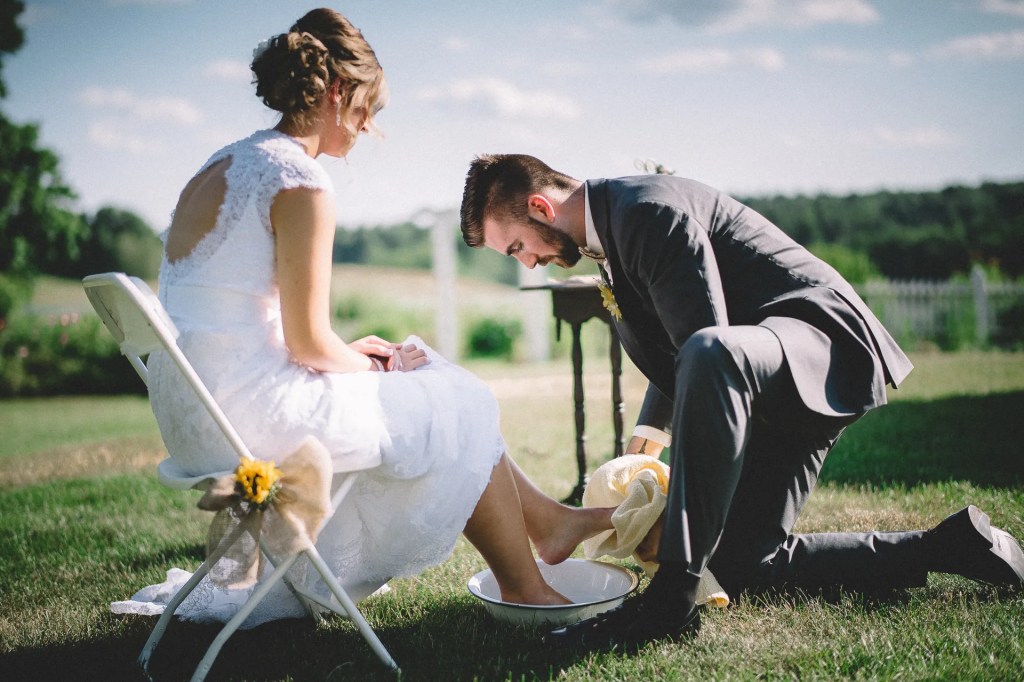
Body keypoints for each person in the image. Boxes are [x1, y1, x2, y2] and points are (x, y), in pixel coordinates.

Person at [111, 10, 615, 627]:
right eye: (367, 109)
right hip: (251, 416)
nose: (369, 128)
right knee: (457, 396)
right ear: (336, 92)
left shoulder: (222, 163)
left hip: (200, 414)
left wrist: (353, 358)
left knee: (432, 384)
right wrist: (360, 362)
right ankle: (529, 588)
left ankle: (549, 524)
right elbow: (308, 341)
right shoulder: (299, 179)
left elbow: (246, 322)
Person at [459, 153, 1024, 651]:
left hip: (816, 345)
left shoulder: (645, 210)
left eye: (516, 247)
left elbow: (709, 351)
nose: (526, 262)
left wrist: (678, 508)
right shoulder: (608, 233)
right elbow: (691, 346)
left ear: (540, 206)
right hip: (764, 375)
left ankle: (669, 601)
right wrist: (647, 440)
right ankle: (952, 547)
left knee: (712, 358)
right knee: (743, 566)